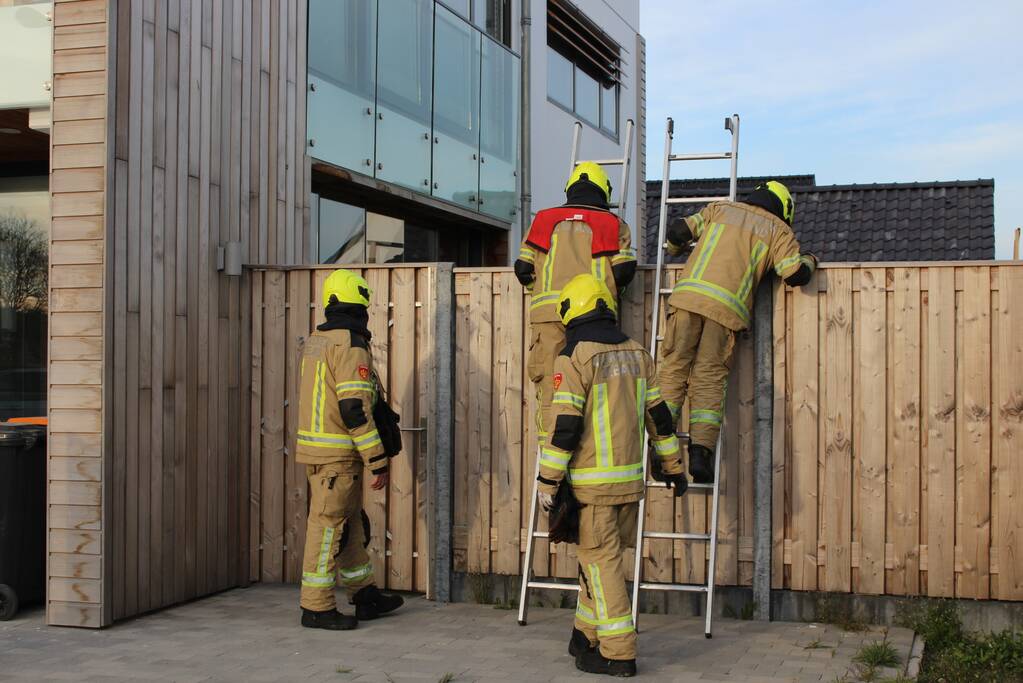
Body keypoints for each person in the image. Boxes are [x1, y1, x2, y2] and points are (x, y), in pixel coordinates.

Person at [536, 274, 685, 677]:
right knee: (598, 563)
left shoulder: (574, 357)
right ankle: (585, 634)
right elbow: (661, 419)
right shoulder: (638, 353)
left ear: (572, 312)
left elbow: (564, 426)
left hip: (592, 487)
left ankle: (618, 652)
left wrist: (547, 480)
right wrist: (673, 466)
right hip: (629, 486)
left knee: (602, 567)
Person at [659, 180, 818, 483]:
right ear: (785, 209)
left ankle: (660, 447)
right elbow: (794, 274)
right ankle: (701, 453)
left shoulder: (721, 209)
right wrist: (811, 260)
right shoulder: (778, 231)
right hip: (725, 313)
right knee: (709, 376)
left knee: (673, 369)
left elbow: (678, 231)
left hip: (687, 300)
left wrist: (675, 248)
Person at [295, 269, 404, 630]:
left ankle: (364, 594)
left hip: (322, 453)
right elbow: (353, 409)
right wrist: (377, 459)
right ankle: (316, 608)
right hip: (338, 458)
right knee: (327, 529)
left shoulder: (317, 340)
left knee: (350, 525)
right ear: (361, 304)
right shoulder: (351, 344)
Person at [515, 162, 637, 448]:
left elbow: (522, 268)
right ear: (604, 191)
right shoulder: (613, 224)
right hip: (593, 319)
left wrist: (542, 294)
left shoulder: (542, 220)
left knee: (551, 387)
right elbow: (623, 271)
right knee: (594, 386)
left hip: (548, 317)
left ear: (570, 189)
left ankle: (551, 465)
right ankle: (587, 455)